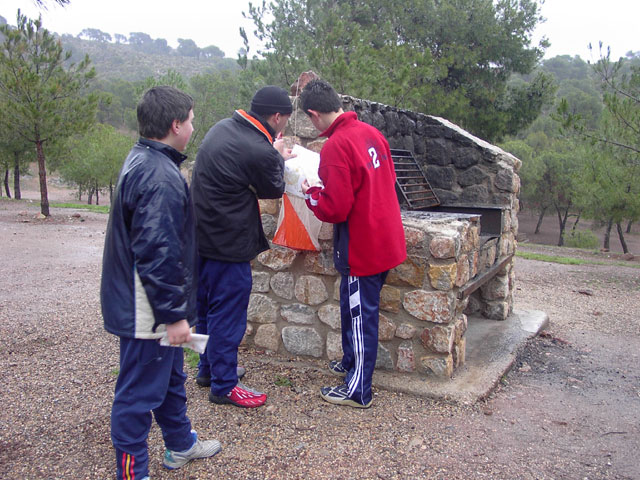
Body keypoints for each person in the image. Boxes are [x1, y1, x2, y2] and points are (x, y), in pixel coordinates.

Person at [101, 86, 221, 479]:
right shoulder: (159, 176)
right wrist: (173, 316)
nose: (193, 124)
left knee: (170, 377)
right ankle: (133, 473)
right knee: (137, 395)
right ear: (175, 125)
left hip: (150, 305)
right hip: (147, 309)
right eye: (190, 118)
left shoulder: (145, 158)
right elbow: (157, 252)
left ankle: (180, 444)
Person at [299, 79, 407, 409]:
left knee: (360, 316)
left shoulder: (336, 146)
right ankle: (350, 363)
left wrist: (311, 193)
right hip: (385, 238)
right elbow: (387, 182)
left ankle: (358, 389)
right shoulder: (372, 134)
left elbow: (336, 208)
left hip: (363, 247)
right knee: (353, 307)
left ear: (314, 114)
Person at [191, 85, 295, 408]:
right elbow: (274, 189)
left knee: (208, 310)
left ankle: (208, 369)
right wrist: (277, 156)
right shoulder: (260, 149)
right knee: (228, 315)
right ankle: (224, 385)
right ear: (277, 117)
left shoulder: (223, 127)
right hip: (229, 242)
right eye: (286, 119)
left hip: (200, 236)